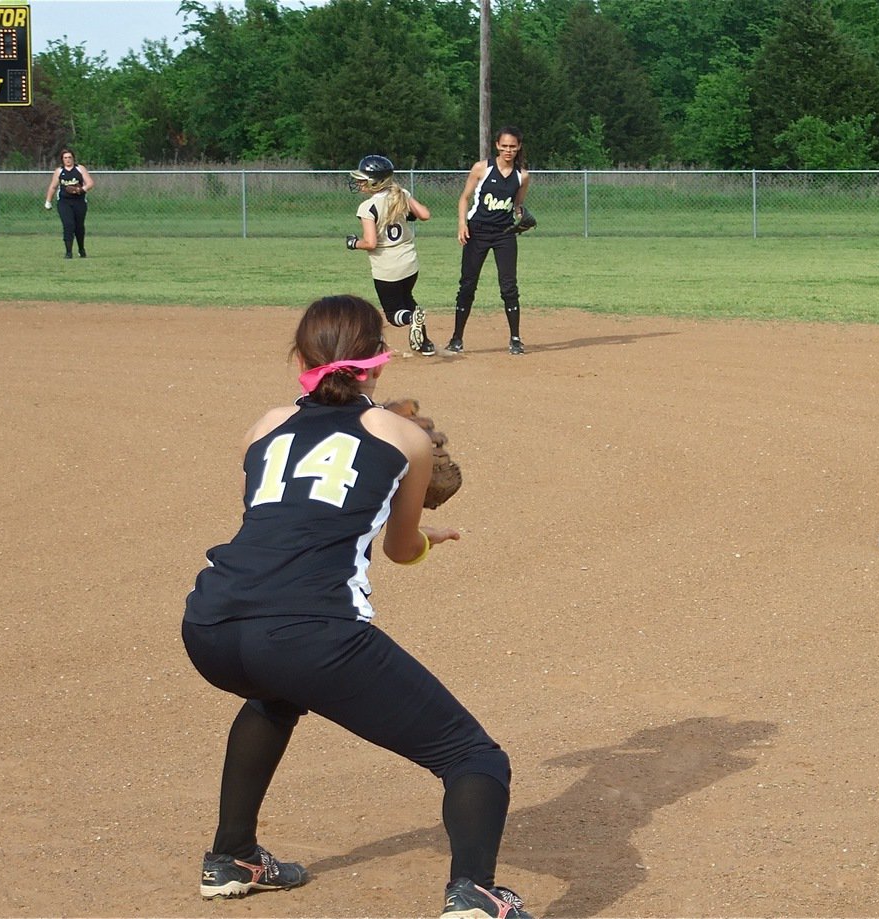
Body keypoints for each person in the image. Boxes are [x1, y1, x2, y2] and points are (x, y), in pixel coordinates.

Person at [181, 295, 532, 919]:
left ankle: (231, 857)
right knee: (471, 756)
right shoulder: (404, 438)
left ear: (302, 357)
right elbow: (398, 550)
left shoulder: (264, 425)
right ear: (378, 362)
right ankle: (475, 896)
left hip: (209, 622)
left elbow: (285, 517)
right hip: (310, 632)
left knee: (276, 693)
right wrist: (427, 535)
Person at [447, 126, 531, 356]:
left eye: (513, 146)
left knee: (509, 286)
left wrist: (522, 217)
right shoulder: (482, 168)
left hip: (504, 233)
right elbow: (464, 198)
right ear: (496, 145)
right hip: (478, 231)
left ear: (519, 147)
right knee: (468, 283)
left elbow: (517, 206)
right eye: (504, 145)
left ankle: (515, 338)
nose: (508, 150)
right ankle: (457, 338)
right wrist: (462, 224)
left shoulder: (521, 175)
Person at [346, 155, 436, 356]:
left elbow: (370, 243)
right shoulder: (400, 194)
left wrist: (353, 243)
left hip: (387, 268)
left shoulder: (368, 207)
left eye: (363, 179)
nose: (359, 183)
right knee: (408, 299)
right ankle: (424, 343)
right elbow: (425, 214)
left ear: (376, 182)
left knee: (395, 314)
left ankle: (411, 319)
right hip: (410, 264)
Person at [44, 147, 94, 259]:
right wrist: (48, 201)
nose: (68, 160)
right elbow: (53, 187)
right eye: (65, 158)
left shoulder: (80, 169)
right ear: (62, 159)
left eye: (70, 157)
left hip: (79, 201)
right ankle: (68, 252)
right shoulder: (59, 171)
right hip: (64, 202)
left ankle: (81, 249)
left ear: (73, 158)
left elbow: (90, 183)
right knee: (68, 225)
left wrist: (81, 190)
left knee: (79, 227)